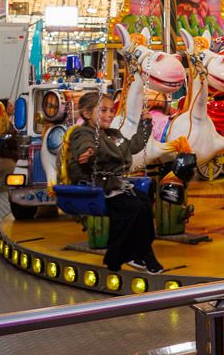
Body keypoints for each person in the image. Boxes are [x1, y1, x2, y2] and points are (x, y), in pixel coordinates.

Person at [66, 92, 161, 273]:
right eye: (103, 110)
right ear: (87, 114)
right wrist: (86, 152)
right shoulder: (84, 132)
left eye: (111, 110)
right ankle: (127, 256)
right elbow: (84, 144)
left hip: (114, 185)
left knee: (145, 204)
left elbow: (133, 146)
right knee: (133, 208)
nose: (109, 115)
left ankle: (140, 253)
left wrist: (145, 124)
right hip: (97, 186)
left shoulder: (113, 135)